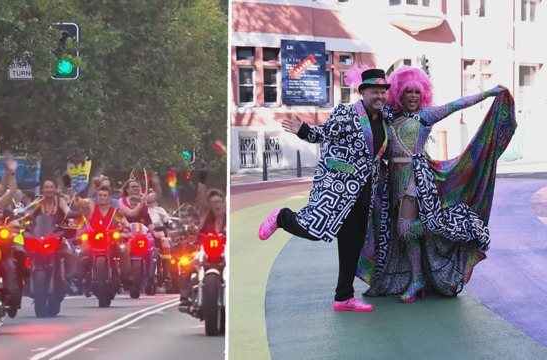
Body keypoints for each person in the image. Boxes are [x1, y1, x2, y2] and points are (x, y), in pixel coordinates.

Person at [359, 66, 515, 302]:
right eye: (408, 91)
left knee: (405, 228)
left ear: (423, 95)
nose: (413, 96)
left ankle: (448, 226)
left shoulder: (426, 115)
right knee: (404, 234)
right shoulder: (390, 116)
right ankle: (418, 277)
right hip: (392, 180)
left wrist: (489, 93)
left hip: (415, 178)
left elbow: (457, 104)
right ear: (399, 93)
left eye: (417, 92)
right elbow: (370, 110)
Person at [257, 68, 394, 312]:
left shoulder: (384, 119)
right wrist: (303, 130)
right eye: (375, 92)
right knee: (315, 229)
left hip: (364, 193)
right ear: (363, 93)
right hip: (338, 187)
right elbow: (324, 133)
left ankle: (344, 297)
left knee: (351, 246)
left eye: (383, 92)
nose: (380, 97)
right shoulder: (347, 112)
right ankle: (282, 217)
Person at [179, 187, 226, 311]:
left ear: (223, 202)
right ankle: (185, 299)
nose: (216, 206)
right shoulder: (207, 221)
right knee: (189, 265)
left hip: (226, 251)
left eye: (218, 202)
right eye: (213, 203)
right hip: (207, 251)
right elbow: (199, 237)